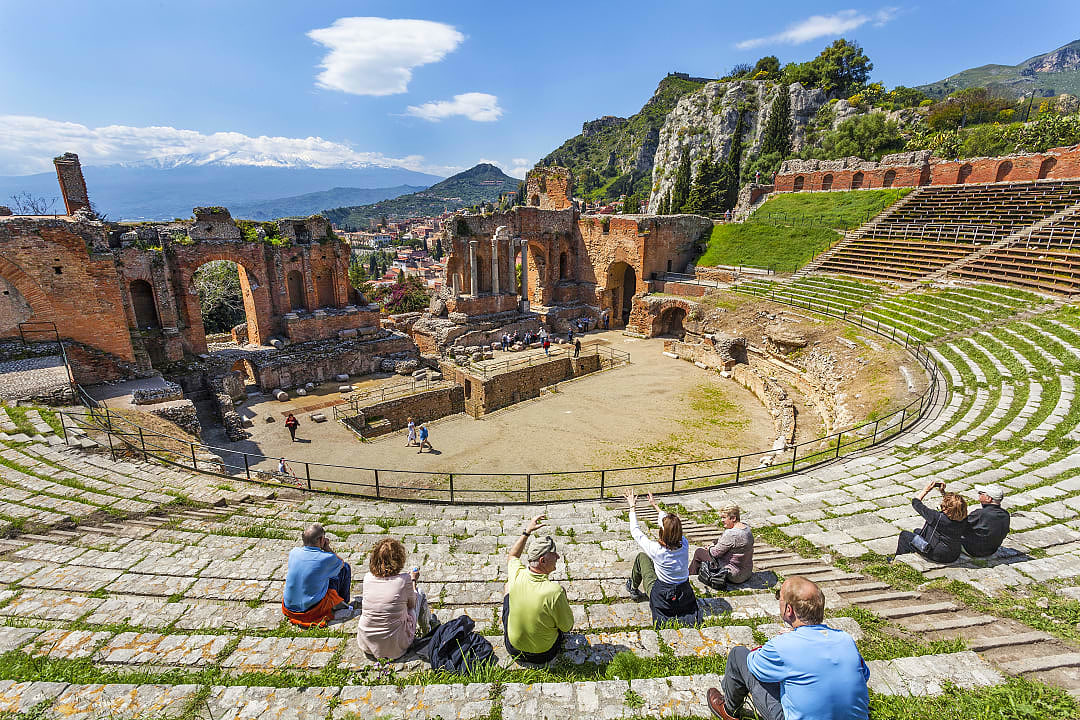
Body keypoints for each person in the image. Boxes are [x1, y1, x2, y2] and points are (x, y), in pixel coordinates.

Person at [706, 576, 869, 720]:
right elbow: (864, 674)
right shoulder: (845, 639)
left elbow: (754, 665)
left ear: (789, 610)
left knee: (738, 655)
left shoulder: (782, 645)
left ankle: (729, 710)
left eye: (780, 597)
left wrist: (784, 640)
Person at [503, 514, 574, 664]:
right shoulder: (554, 591)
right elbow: (567, 627)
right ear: (543, 560)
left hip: (513, 648)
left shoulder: (517, 573)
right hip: (543, 654)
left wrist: (526, 532)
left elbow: (512, 555)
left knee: (508, 587)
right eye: (554, 554)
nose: (558, 557)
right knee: (555, 611)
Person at [624, 489, 699, 625]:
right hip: (684, 594)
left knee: (642, 557)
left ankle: (633, 589)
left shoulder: (656, 549)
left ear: (662, 532)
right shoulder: (684, 543)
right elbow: (670, 527)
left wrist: (632, 506)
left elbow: (636, 531)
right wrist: (655, 505)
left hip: (662, 595)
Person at [356, 538, 434, 660]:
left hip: (367, 642)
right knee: (420, 594)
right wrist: (413, 580)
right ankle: (428, 631)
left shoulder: (367, 578)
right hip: (395, 646)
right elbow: (412, 604)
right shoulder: (403, 580)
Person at [282, 523, 353, 627]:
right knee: (345, 568)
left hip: (289, 607)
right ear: (321, 540)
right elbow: (341, 563)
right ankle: (344, 602)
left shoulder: (294, 552)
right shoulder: (326, 558)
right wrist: (327, 547)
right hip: (311, 609)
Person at [893, 480, 968, 564]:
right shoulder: (963, 518)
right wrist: (943, 492)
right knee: (917, 531)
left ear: (946, 508)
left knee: (905, 535)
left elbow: (916, 503)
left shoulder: (936, 518)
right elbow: (953, 506)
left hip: (938, 555)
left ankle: (897, 561)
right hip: (953, 555)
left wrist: (926, 490)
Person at [689, 504, 754, 588]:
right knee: (713, 544)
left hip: (733, 575)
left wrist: (710, 548)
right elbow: (729, 543)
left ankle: (689, 577)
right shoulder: (747, 528)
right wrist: (714, 543)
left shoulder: (731, 534)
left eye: (724, 517)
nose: (721, 520)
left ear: (733, 518)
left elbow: (715, 553)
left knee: (699, 552)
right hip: (747, 572)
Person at [962, 484, 1011, 558]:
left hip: (973, 550)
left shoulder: (981, 513)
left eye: (981, 493)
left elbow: (960, 525)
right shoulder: (1005, 514)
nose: (979, 495)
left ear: (988, 498)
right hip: (991, 550)